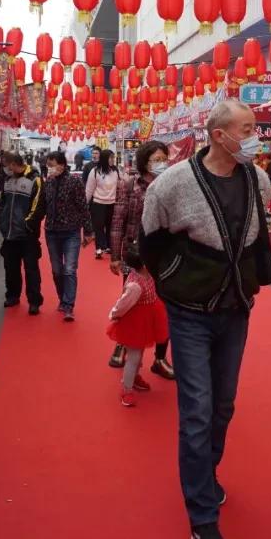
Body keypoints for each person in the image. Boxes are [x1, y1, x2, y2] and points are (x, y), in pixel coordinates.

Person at [140, 99, 271, 539]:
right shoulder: (173, 183)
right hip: (189, 313)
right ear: (220, 135)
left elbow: (257, 234)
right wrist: (177, 281)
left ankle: (205, 473)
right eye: (247, 128)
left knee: (223, 405)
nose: (256, 137)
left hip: (235, 308)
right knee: (197, 411)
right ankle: (202, 515)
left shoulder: (258, 179)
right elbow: (151, 241)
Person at [108, 140, 175, 379]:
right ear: (144, 161)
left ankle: (159, 358)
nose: (161, 163)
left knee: (164, 307)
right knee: (133, 300)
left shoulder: (171, 183)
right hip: (135, 255)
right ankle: (123, 342)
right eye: (156, 159)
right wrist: (115, 255)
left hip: (165, 256)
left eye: (164, 158)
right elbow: (118, 220)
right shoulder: (128, 185)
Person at [106, 242, 169, 407]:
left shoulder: (146, 273)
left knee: (139, 353)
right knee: (133, 356)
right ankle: (126, 389)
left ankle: (134, 377)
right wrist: (114, 313)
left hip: (146, 319)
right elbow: (124, 303)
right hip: (135, 323)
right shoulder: (135, 285)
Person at [42, 151, 94, 322]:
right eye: (47, 165)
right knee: (57, 270)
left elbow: (83, 207)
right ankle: (62, 298)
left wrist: (88, 231)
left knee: (70, 269)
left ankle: (68, 305)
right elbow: (44, 206)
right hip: (51, 232)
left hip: (71, 232)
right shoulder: (48, 183)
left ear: (62, 165)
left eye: (52, 165)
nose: (49, 169)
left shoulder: (74, 182)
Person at [0, 152, 44, 315]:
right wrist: (1, 219)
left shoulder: (34, 179)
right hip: (9, 234)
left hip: (27, 235)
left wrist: (27, 225)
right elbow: (2, 202)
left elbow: (38, 207)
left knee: (31, 269)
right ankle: (12, 296)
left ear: (14, 164)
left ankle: (34, 301)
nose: (5, 169)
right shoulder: (7, 180)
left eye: (6, 165)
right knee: (10, 267)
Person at [86, 149, 121, 259]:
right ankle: (99, 249)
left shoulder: (116, 171)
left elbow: (120, 185)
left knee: (110, 227)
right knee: (99, 227)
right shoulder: (95, 171)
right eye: (110, 157)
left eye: (113, 157)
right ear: (105, 158)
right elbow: (89, 189)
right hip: (98, 203)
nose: (112, 160)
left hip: (112, 203)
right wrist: (85, 205)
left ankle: (109, 247)